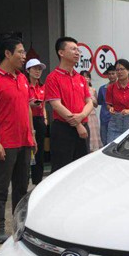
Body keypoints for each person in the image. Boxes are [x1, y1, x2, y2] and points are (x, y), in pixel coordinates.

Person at [0, 37, 34, 244]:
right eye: (20, 52)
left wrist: (32, 135)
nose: (24, 56)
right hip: (4, 142)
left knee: (21, 187)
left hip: (24, 141)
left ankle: (19, 226)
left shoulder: (22, 78)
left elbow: (27, 108)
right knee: (0, 188)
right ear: (7, 53)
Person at [43, 37, 93, 172]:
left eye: (78, 50)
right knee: (62, 169)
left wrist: (81, 116)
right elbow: (56, 105)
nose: (77, 53)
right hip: (63, 129)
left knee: (82, 169)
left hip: (83, 127)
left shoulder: (80, 78)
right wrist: (77, 124)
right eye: (73, 49)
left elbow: (89, 102)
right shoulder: (53, 78)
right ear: (61, 53)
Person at [25, 58, 48, 185]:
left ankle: (37, 180)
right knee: (28, 149)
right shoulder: (25, 86)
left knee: (39, 151)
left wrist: (45, 119)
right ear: (28, 70)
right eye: (35, 68)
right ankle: (24, 178)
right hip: (27, 119)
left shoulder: (42, 86)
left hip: (39, 120)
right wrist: (30, 104)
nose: (38, 71)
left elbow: (43, 105)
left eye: (39, 69)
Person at [82, 70, 103, 151]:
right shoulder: (79, 89)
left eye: (87, 77)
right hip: (84, 115)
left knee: (94, 135)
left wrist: (92, 100)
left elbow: (96, 105)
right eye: (84, 77)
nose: (86, 79)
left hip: (92, 115)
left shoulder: (93, 90)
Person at [97, 65, 116, 145]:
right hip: (105, 118)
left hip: (117, 118)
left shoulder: (121, 88)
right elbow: (99, 102)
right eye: (109, 74)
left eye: (113, 73)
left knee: (115, 141)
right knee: (104, 140)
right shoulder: (102, 88)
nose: (111, 76)